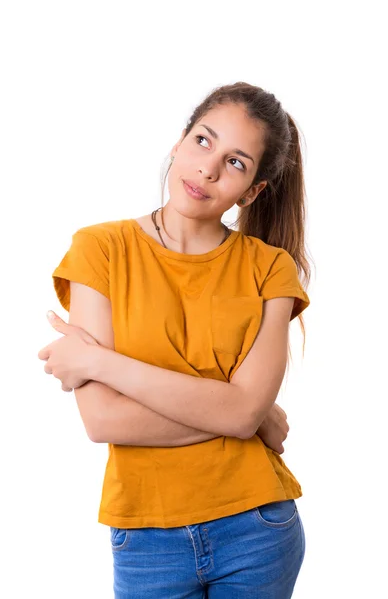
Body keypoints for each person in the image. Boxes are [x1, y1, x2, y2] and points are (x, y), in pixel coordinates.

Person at [40, 81, 311, 598]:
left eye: (236, 163)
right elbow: (105, 420)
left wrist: (98, 362)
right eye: (204, 141)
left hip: (257, 526)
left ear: (252, 191)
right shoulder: (101, 249)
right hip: (146, 538)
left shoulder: (271, 268)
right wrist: (239, 411)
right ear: (179, 142)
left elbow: (241, 414)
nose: (208, 169)